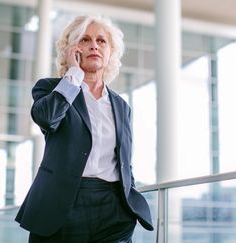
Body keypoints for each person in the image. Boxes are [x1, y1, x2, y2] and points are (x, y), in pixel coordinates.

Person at [15, 15, 153, 243]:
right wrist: (74, 76)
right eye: (85, 40)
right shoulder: (51, 88)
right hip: (63, 205)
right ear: (72, 49)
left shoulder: (121, 106)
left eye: (101, 41)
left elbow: (124, 161)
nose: (94, 46)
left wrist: (126, 207)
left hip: (113, 209)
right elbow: (48, 119)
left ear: (110, 52)